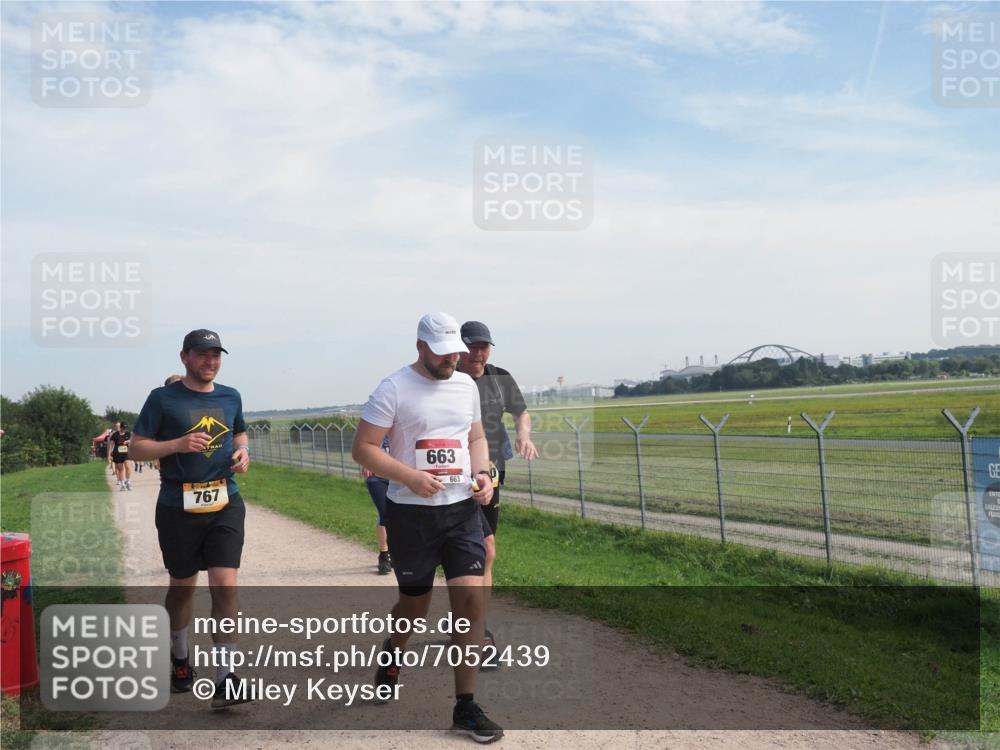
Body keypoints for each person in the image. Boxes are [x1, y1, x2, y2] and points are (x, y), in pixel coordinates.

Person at [352, 312, 503, 744]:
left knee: (470, 603)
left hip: (459, 511)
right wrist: (408, 477)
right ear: (420, 347)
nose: (451, 359)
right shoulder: (393, 388)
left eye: (454, 350)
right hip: (411, 516)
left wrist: (484, 475)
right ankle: (393, 653)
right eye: (441, 353)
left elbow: (474, 437)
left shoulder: (465, 385)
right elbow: (362, 448)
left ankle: (465, 706)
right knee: (414, 609)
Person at [128, 329, 251, 710]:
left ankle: (226, 678)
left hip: (225, 500)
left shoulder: (231, 396)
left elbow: (240, 433)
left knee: (225, 585)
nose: (210, 362)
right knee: (182, 587)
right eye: (202, 355)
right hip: (177, 504)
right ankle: (180, 657)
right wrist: (176, 445)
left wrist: (243, 452)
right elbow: (135, 447)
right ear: (185, 357)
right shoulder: (162, 399)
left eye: (215, 355)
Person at [457, 321, 538, 663]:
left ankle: (471, 624)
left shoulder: (499, 376)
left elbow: (522, 411)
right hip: (455, 472)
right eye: (473, 346)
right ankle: (477, 631)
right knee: (484, 549)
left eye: (485, 346)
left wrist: (523, 434)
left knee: (486, 550)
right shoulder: (448, 378)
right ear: (459, 348)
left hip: (491, 472)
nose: (479, 353)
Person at [361, 435, 393, 575]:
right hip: (377, 476)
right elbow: (365, 443)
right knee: (385, 513)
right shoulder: (377, 421)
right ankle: (384, 555)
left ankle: (400, 552)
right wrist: (366, 463)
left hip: (402, 476)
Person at [108, 421, 133, 491]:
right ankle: (122, 485)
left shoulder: (128, 433)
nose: (124, 429)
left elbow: (133, 440)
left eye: (125, 428)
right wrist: (109, 454)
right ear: (120, 427)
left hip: (126, 453)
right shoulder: (115, 435)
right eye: (123, 428)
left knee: (128, 467)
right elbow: (111, 445)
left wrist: (128, 441)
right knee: (120, 469)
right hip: (117, 454)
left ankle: (128, 481)